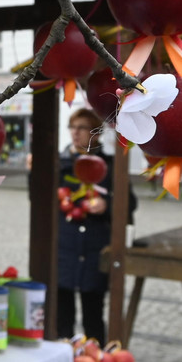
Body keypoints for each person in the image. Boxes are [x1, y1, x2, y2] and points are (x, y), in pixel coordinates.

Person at [56, 107, 137, 345]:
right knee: (62, 316)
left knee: (93, 315)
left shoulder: (110, 167)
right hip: (65, 249)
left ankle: (98, 358)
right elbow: (40, 199)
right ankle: (63, 358)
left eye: (82, 128)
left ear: (96, 133)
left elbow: (129, 203)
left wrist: (107, 204)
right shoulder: (60, 164)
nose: (75, 133)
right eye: (73, 127)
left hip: (95, 250)